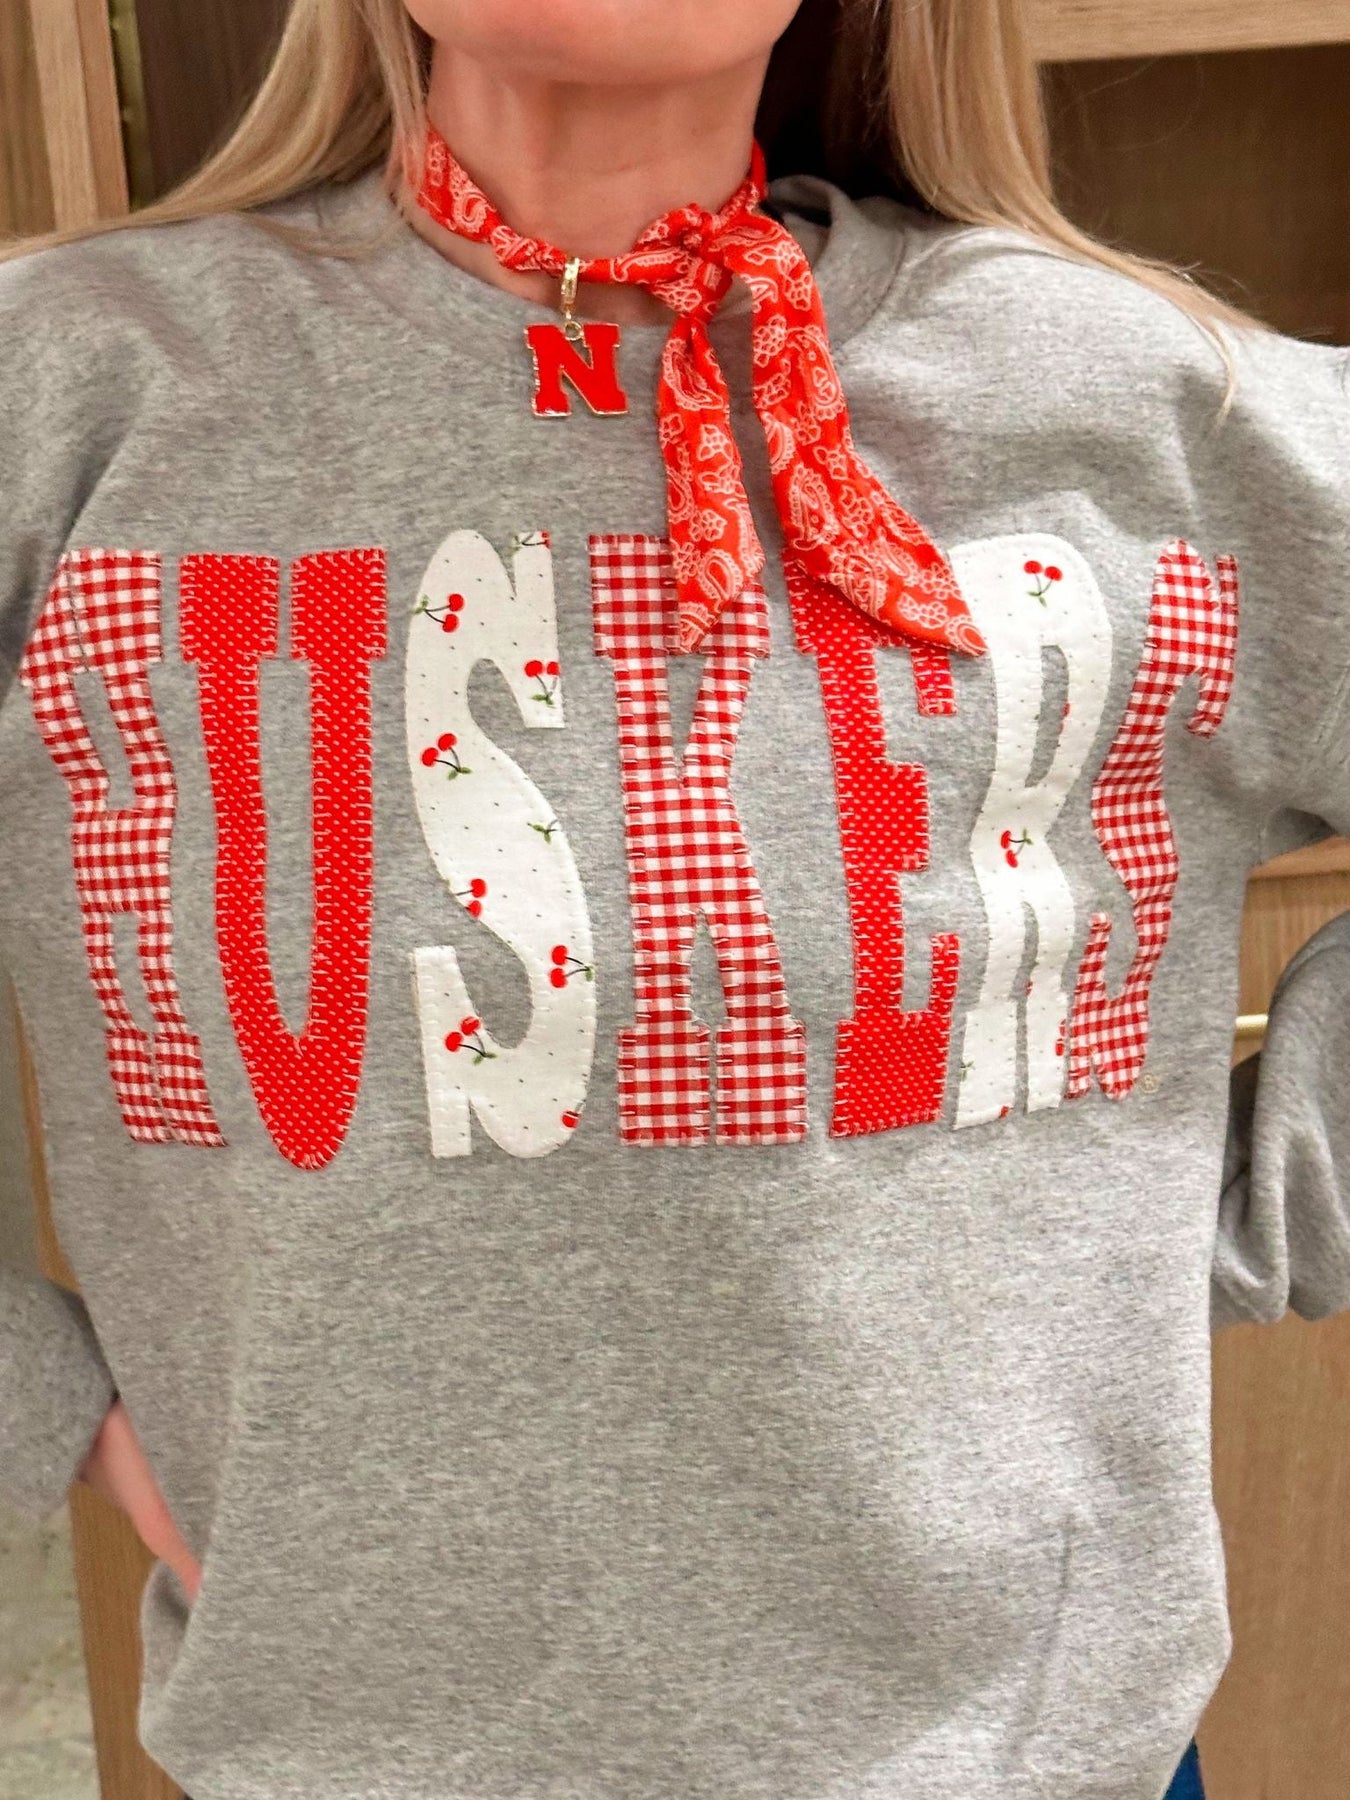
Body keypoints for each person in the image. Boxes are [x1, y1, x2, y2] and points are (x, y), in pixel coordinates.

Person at [1, 0, 1346, 1796]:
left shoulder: (1142, 401)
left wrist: (1207, 1221)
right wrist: (41, 1397)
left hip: (1019, 1754)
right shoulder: (73, 384)